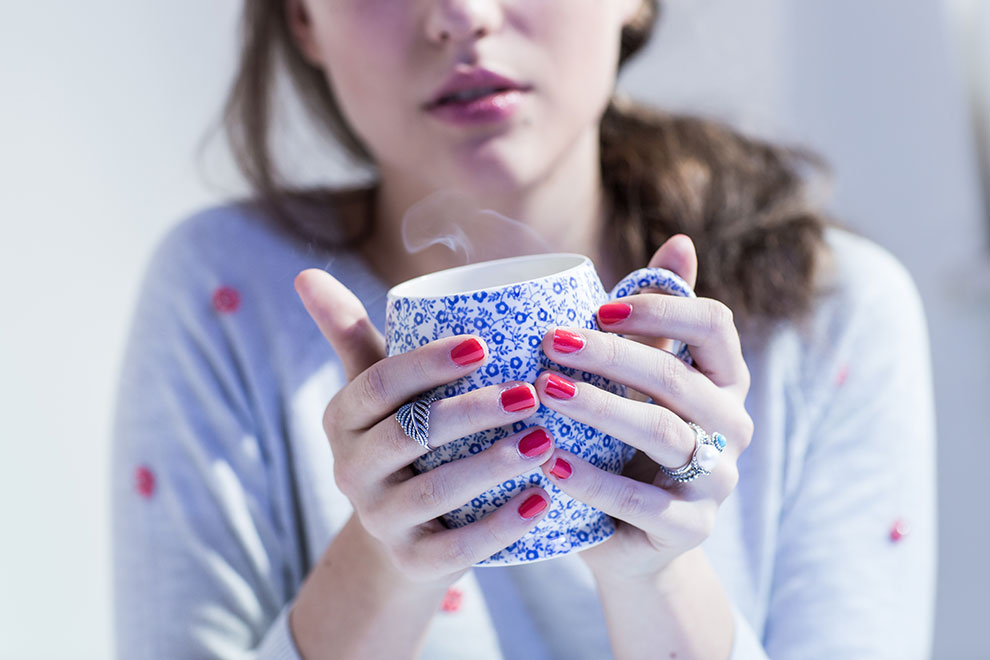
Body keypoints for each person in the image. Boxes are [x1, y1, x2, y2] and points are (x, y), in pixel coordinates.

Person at [111, 1, 937, 658]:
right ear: (302, 18)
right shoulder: (227, 297)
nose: (461, 14)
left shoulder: (830, 316)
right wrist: (389, 556)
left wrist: (656, 569)